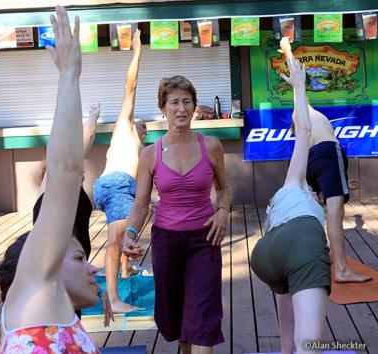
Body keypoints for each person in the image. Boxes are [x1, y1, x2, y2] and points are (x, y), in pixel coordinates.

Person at [0, 7, 104, 353]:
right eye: (77, 258)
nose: (91, 268)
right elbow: (65, 170)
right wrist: (69, 74)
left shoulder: (57, 318)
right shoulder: (35, 301)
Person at [121, 75, 231, 354]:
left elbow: (224, 188)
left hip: (204, 238)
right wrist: (129, 235)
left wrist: (222, 211)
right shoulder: (149, 154)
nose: (181, 108)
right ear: (163, 108)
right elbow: (140, 205)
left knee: (204, 315)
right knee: (177, 314)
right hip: (166, 242)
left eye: (187, 102)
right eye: (174, 103)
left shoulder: (212, 145)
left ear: (194, 107)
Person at [250, 38, 332, 354]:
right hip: (299, 243)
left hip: (265, 256)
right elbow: (305, 132)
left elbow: (304, 137)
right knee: (310, 341)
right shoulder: (297, 187)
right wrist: (300, 87)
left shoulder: (286, 189)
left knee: (291, 339)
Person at [280, 40, 372, 284]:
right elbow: (296, 73)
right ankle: (341, 269)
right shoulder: (302, 109)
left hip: (313, 162)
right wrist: (287, 50)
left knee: (318, 206)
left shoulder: (303, 126)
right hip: (328, 154)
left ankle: (320, 247)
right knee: (334, 209)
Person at [32, 102, 113, 324]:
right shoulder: (53, 185)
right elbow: (83, 141)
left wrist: (97, 291)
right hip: (55, 278)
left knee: (70, 329)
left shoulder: (69, 189)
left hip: (69, 272)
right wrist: (93, 117)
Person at [92, 29, 148, 313]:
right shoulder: (124, 127)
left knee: (131, 222)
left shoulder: (141, 148)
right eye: (133, 120)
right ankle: (113, 300)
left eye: (141, 123)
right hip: (115, 184)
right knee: (115, 241)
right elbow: (131, 87)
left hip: (116, 186)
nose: (136, 122)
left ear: (146, 131)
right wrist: (137, 52)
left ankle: (126, 272)